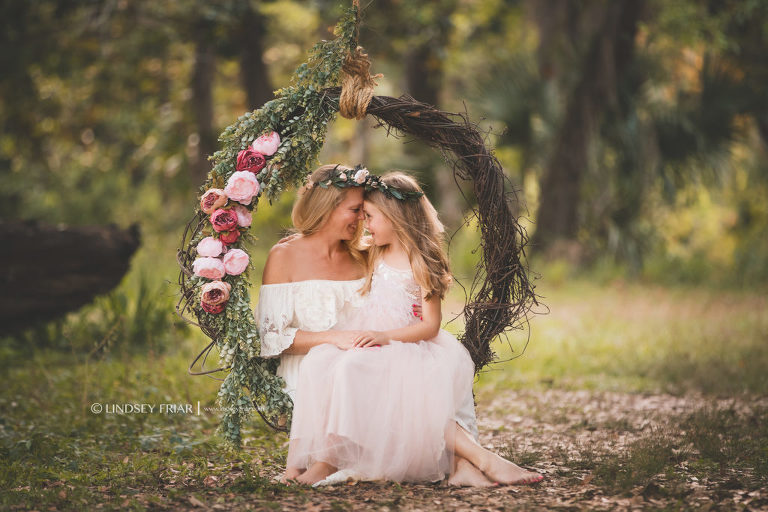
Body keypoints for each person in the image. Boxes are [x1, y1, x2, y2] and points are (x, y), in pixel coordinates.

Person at [257, 164, 542, 487]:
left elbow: (425, 317)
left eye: (368, 215)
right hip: (359, 349)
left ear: (394, 219)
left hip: (392, 345)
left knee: (397, 388)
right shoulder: (354, 251)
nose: (363, 223)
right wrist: (346, 338)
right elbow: (271, 336)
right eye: (357, 212)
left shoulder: (376, 253)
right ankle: (473, 461)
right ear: (328, 208)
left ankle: (474, 462)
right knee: (352, 372)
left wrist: (382, 336)